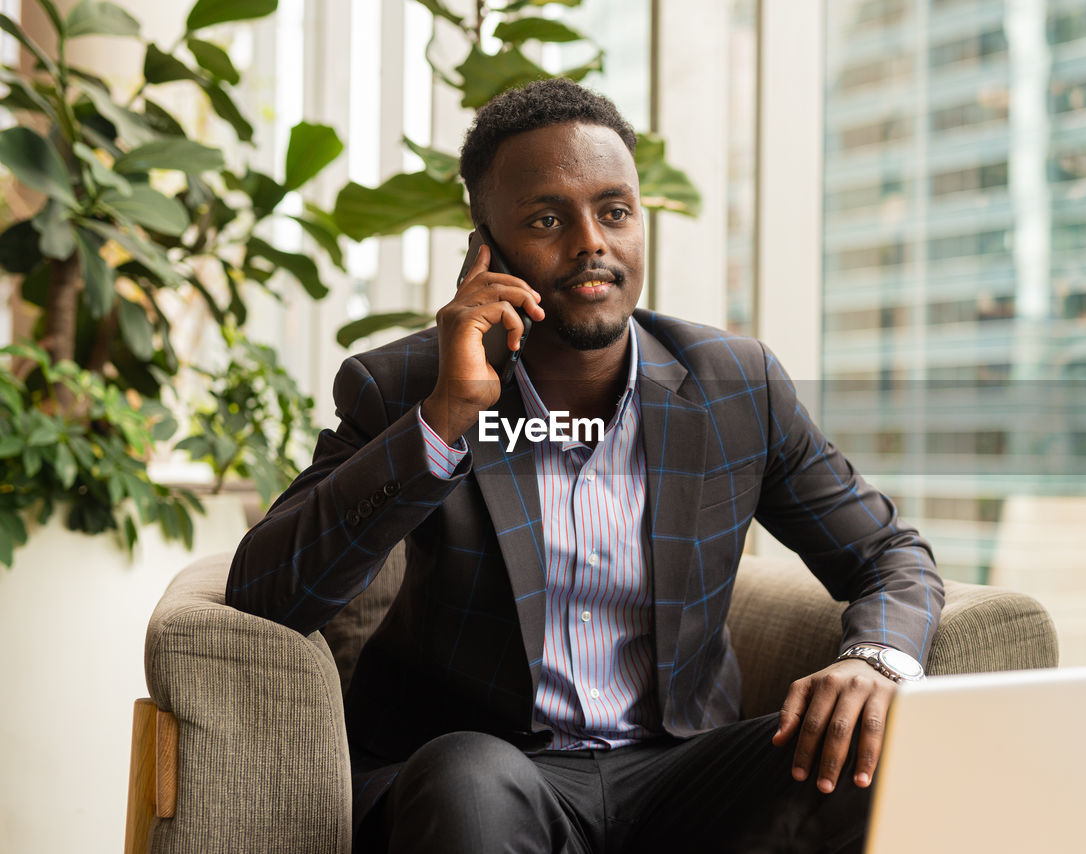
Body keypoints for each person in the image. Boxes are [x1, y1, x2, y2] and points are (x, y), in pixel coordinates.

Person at [227, 77, 943, 853]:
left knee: (883, 758)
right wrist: (444, 419)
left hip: (680, 773)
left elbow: (888, 557)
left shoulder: (735, 384)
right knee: (469, 778)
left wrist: (875, 660)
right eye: (546, 219)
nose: (590, 242)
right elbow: (268, 595)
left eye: (614, 212)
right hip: (492, 772)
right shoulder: (402, 388)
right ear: (485, 250)